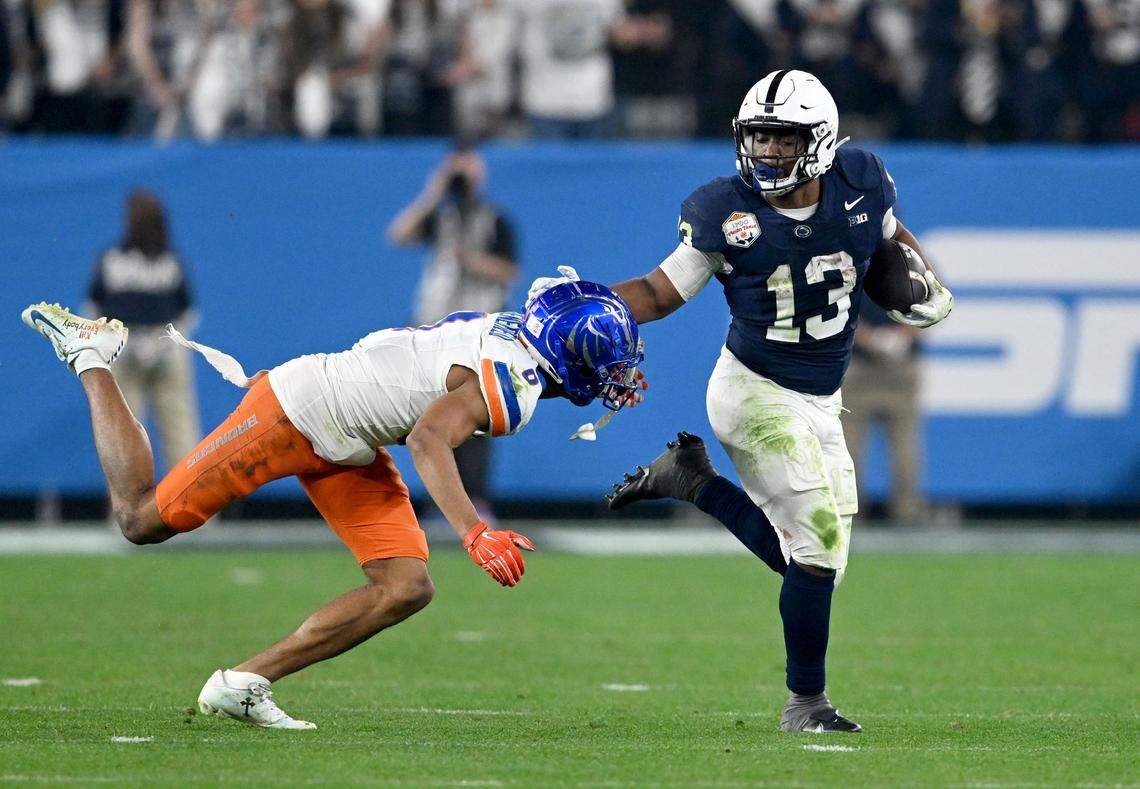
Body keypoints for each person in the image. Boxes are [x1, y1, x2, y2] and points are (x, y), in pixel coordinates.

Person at [22, 278, 644, 730]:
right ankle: (89, 354)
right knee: (139, 518)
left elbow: (631, 301)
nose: (619, 376)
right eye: (608, 362)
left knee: (406, 585)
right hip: (297, 411)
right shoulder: (514, 383)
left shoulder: (523, 329)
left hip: (349, 438)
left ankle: (242, 684)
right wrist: (475, 531)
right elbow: (430, 438)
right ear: (570, 354)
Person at [530, 69, 953, 733]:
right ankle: (806, 704)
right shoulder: (725, 209)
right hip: (753, 392)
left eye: (783, 140)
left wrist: (922, 283)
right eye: (759, 137)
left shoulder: (862, 181)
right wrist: (593, 306)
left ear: (820, 142)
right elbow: (660, 291)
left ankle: (694, 482)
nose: (768, 152)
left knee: (819, 565)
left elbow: (892, 238)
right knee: (815, 546)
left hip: (821, 394)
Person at [388, 143, 518, 522]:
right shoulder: (441, 216)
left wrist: (471, 260)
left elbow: (510, 271)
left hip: (480, 328)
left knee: (479, 416)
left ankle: (475, 500)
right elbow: (399, 234)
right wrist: (433, 192)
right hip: (438, 328)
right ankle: (440, 501)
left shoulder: (494, 219)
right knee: (433, 418)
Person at [87, 189, 200, 473]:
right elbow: (93, 308)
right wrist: (114, 344)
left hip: (166, 354)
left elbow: (187, 313)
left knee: (181, 436)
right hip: (123, 355)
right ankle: (130, 514)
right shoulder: (114, 259)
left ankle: (191, 512)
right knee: (125, 439)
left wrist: (162, 343)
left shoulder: (169, 262)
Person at [842, 299, 927, 524]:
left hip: (860, 363)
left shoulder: (851, 262)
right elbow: (935, 306)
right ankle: (907, 510)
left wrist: (871, 338)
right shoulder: (915, 264)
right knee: (904, 441)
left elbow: (838, 307)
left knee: (849, 443)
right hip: (895, 363)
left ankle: (849, 511)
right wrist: (902, 335)